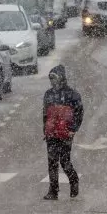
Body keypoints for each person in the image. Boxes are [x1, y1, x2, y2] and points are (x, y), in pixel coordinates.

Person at [42, 65, 83, 200]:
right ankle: (53, 191)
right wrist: (46, 130)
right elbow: (45, 114)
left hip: (65, 133)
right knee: (52, 162)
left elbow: (79, 113)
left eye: (54, 78)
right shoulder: (48, 94)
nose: (52, 81)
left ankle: (74, 181)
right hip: (51, 134)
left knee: (65, 161)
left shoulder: (72, 95)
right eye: (50, 78)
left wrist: (73, 129)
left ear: (61, 78)